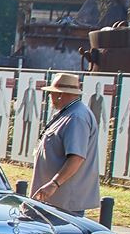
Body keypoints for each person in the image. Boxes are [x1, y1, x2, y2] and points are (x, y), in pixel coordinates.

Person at [30, 72, 100, 217]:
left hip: (63, 203)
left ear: (60, 94)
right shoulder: (69, 113)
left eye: (51, 93)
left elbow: (77, 158)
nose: (50, 96)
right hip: (55, 200)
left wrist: (53, 184)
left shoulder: (76, 117)